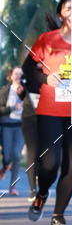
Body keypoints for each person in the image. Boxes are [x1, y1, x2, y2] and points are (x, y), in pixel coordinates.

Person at [21, 0, 72, 225]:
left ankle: (58, 216)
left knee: (70, 167)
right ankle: (41, 193)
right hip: (50, 109)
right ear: (61, 14)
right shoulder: (46, 40)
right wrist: (46, 78)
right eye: (69, 8)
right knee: (50, 164)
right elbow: (28, 70)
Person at [0, 67, 26, 196]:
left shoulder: (27, 91)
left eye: (20, 74)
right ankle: (4, 167)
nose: (18, 76)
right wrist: (12, 108)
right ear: (10, 76)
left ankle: (13, 186)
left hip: (20, 127)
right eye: (16, 74)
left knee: (16, 155)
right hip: (6, 126)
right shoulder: (4, 91)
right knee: (7, 156)